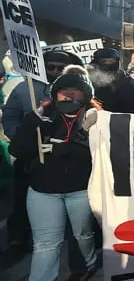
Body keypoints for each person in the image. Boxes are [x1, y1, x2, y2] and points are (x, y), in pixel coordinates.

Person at [10, 65, 100, 281]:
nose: (69, 96)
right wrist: (32, 122)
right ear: (55, 94)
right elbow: (18, 150)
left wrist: (87, 135)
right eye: (64, 91)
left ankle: (85, 265)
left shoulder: (95, 119)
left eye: (75, 91)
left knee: (82, 234)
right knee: (46, 245)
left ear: (85, 96)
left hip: (81, 190)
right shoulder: (41, 119)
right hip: (44, 191)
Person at [3, 50, 82, 252]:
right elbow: (10, 117)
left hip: (61, 158)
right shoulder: (24, 89)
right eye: (51, 67)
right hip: (30, 156)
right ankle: (18, 236)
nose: (55, 71)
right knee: (21, 198)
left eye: (60, 68)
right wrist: (21, 137)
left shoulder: (76, 91)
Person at [89, 48, 134, 114]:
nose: (108, 65)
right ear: (95, 64)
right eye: (104, 62)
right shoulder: (88, 86)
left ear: (118, 63)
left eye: (112, 61)